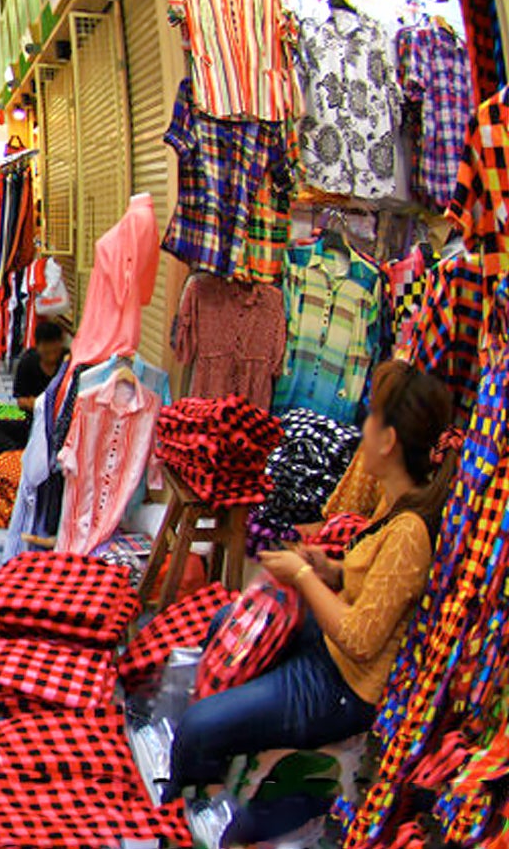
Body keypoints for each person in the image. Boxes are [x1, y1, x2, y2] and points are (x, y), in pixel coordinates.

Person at [166, 360, 455, 843]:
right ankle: (232, 767)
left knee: (197, 728)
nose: (362, 431)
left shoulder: (410, 532)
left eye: (372, 419)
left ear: (387, 441)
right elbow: (371, 577)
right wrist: (331, 570)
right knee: (227, 624)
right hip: (327, 650)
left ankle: (202, 811)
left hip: (344, 686)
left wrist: (302, 575)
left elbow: (361, 639)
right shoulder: (395, 503)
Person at [0, 319, 68, 456]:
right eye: (46, 350)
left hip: (58, 426)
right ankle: (17, 455)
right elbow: (21, 400)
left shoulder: (67, 363)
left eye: (54, 350)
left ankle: (16, 453)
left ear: (60, 345)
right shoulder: (28, 362)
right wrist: (38, 405)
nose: (51, 354)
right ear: (38, 347)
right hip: (31, 421)